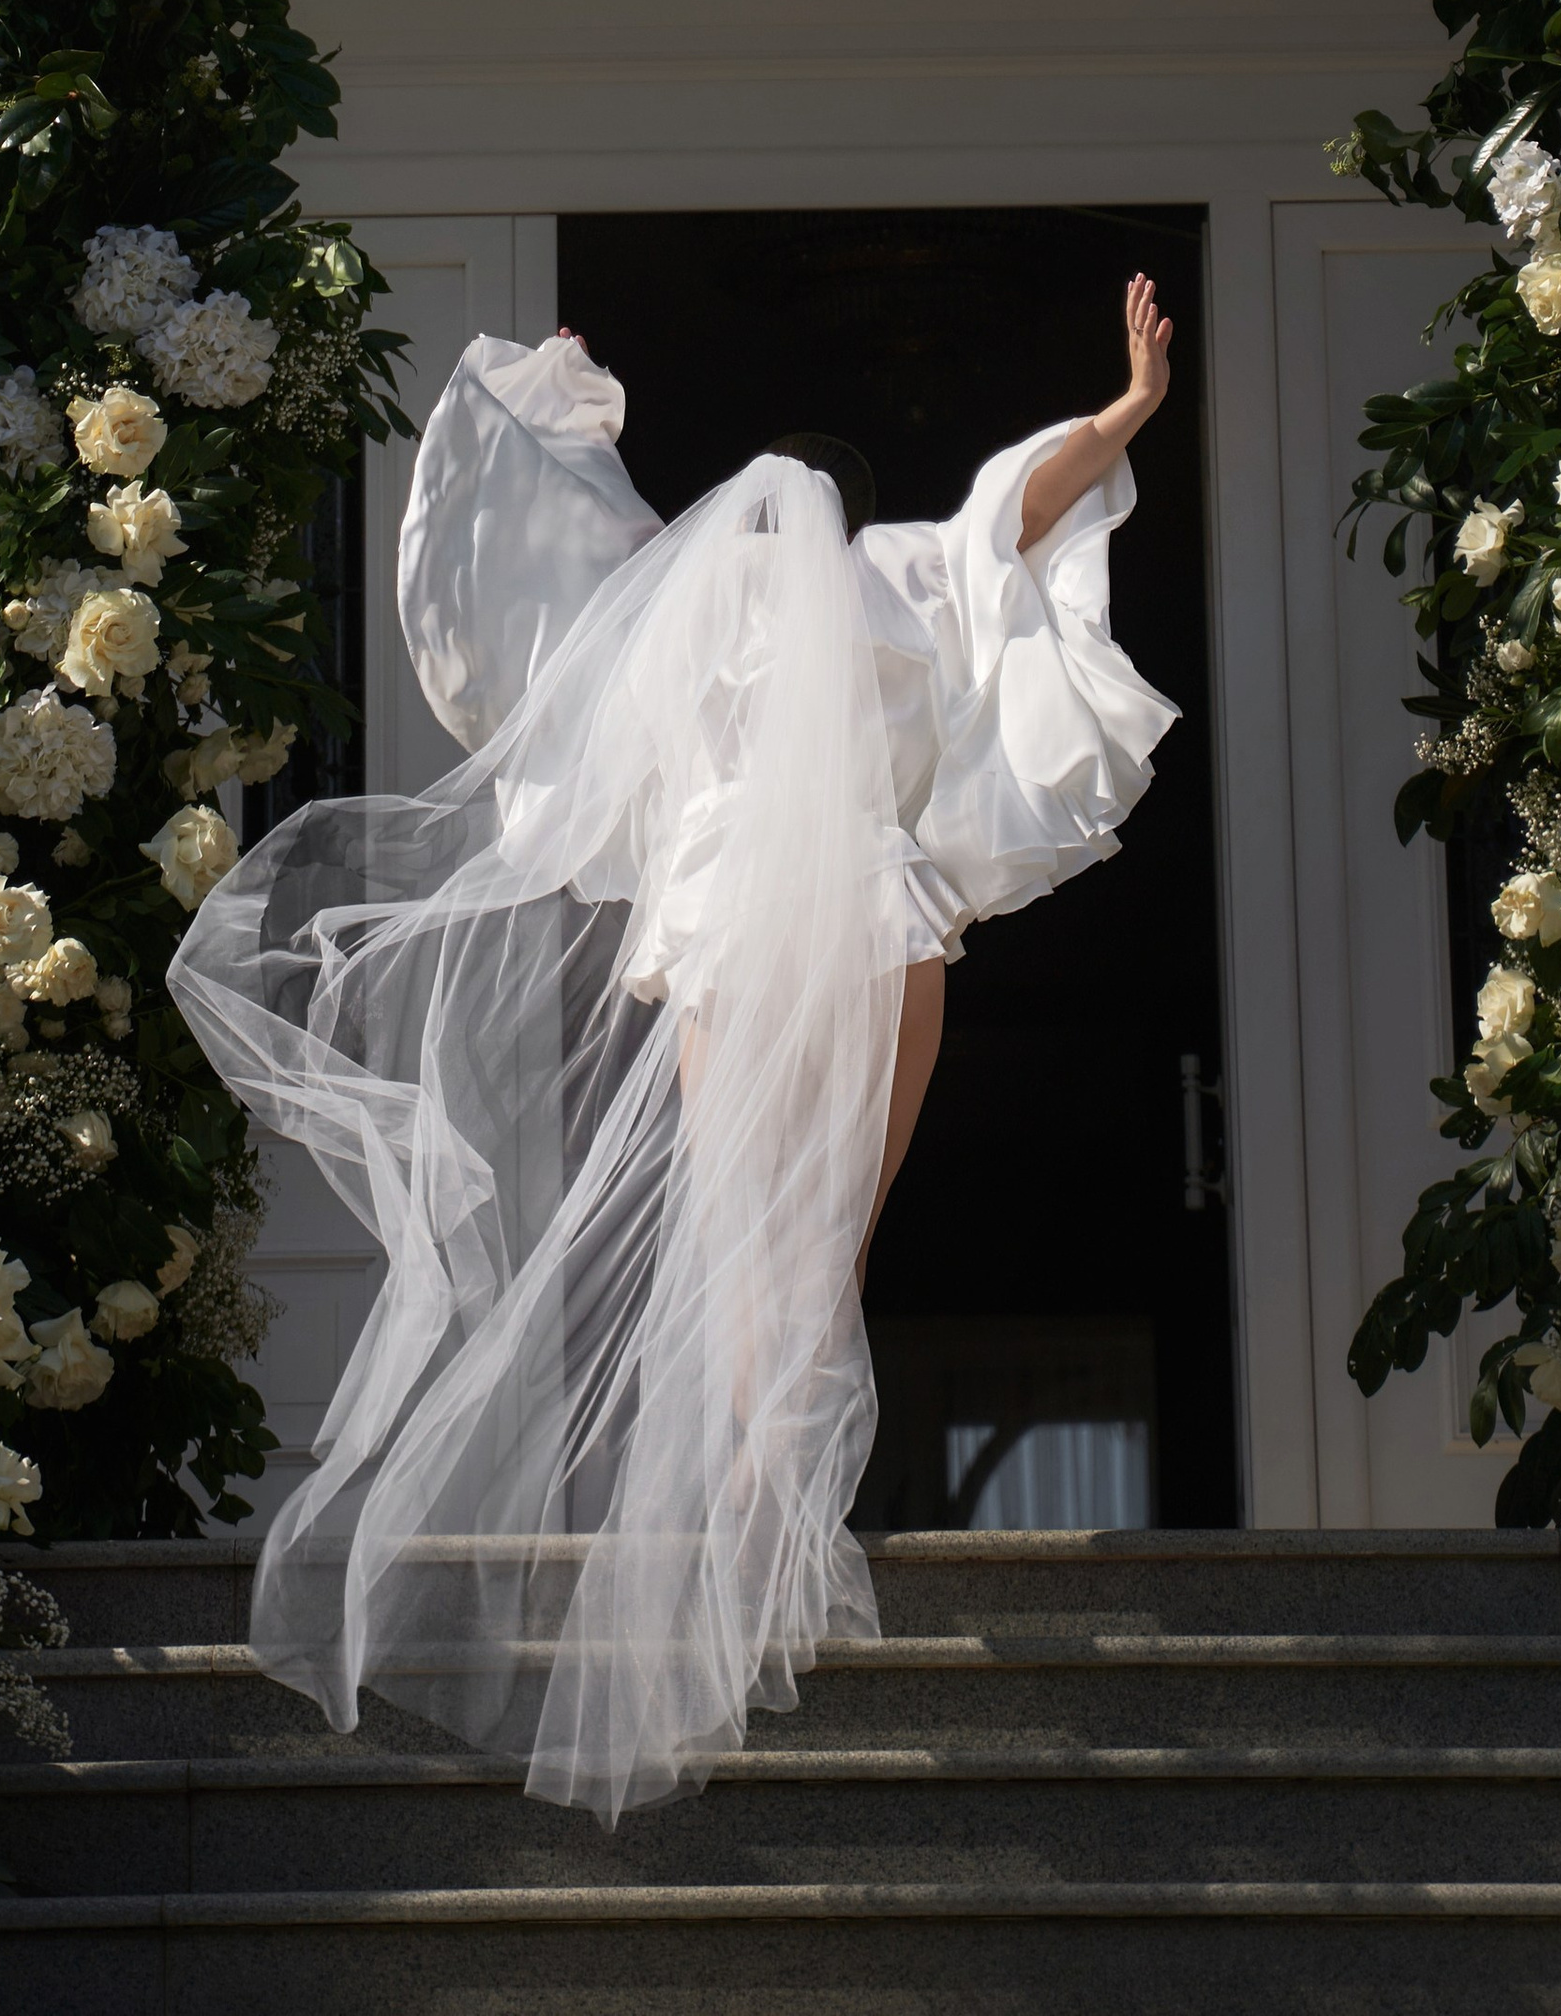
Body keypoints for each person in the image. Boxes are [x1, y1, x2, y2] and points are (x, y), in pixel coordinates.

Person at [169, 275, 1177, 1824]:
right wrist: (1119, 413)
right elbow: (1011, 518)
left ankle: (752, 1526)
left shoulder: (671, 599)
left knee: (744, 1235)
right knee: (822, 1237)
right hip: (879, 923)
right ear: (848, 506)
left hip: (734, 932)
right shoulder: (894, 579)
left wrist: (556, 390)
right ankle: (784, 1518)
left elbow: (526, 521)